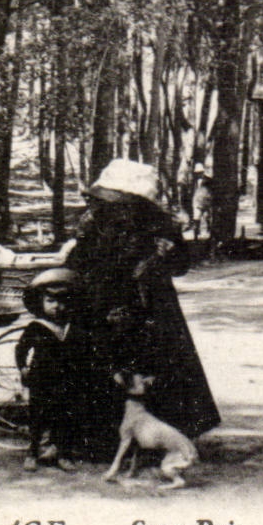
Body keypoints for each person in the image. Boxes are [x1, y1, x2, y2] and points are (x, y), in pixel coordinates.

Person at [66, 159, 221, 460]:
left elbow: (180, 265)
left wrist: (165, 256)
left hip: (149, 304)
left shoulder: (160, 224)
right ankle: (99, 440)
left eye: (122, 200)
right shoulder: (96, 218)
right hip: (103, 299)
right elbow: (78, 258)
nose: (116, 206)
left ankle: (160, 436)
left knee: (152, 364)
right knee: (102, 364)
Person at [15, 268, 86, 471]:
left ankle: (63, 454)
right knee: (38, 416)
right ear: (41, 303)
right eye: (51, 301)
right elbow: (21, 349)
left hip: (66, 381)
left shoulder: (72, 327)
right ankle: (33, 453)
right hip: (42, 379)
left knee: (65, 416)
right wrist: (23, 368)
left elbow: (81, 351)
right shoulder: (36, 327)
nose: (57, 306)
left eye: (62, 301)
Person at [189, 163, 212, 241]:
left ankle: (209, 235)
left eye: (200, 172)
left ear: (203, 172)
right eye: (197, 173)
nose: (199, 174)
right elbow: (191, 191)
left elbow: (211, 190)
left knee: (208, 218)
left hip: (206, 201)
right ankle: (196, 236)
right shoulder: (193, 181)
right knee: (196, 218)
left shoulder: (208, 180)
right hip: (197, 202)